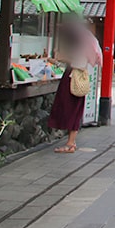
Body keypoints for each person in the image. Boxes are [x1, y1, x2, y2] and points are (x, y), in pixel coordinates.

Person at [48, 19, 100, 153]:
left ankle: (70, 143)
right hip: (72, 79)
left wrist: (62, 58)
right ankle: (71, 142)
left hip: (73, 81)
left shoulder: (83, 47)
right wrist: (58, 61)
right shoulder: (83, 46)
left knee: (72, 110)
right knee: (73, 110)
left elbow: (79, 64)